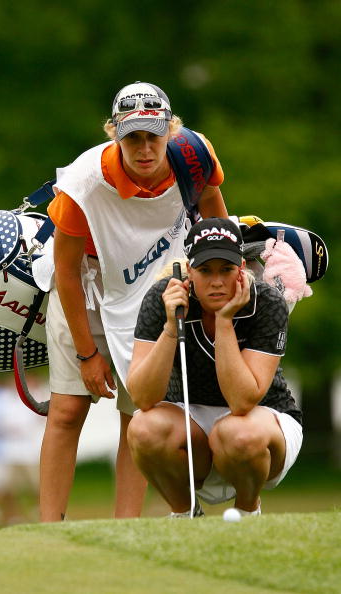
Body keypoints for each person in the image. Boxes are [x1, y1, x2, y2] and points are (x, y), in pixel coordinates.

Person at [39, 81, 228, 522]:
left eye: (153, 136)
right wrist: (88, 354)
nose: (144, 149)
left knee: (139, 411)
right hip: (85, 285)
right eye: (132, 137)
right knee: (68, 408)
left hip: (155, 290)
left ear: (170, 131)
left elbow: (216, 222)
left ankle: (128, 526)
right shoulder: (84, 183)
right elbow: (66, 271)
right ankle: (47, 530)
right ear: (114, 134)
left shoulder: (194, 157)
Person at [126, 217, 303, 517]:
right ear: (189, 271)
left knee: (237, 433)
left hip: (261, 421)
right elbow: (142, 398)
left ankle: (248, 512)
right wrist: (171, 327)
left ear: (242, 270)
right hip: (189, 418)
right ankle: (185, 514)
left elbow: (242, 401)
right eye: (205, 270)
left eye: (226, 269)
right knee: (143, 429)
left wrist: (224, 321)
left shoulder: (267, 302)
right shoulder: (163, 298)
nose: (217, 281)